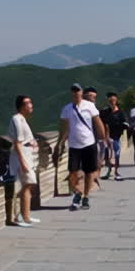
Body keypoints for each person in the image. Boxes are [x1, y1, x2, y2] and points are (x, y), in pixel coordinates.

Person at [57, 82, 107, 210]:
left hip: (89, 143)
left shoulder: (89, 106)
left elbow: (98, 122)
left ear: (81, 92)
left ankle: (86, 196)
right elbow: (63, 128)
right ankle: (77, 192)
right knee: (73, 172)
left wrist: (103, 138)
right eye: (73, 91)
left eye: (77, 90)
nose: (75, 93)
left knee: (89, 172)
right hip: (74, 145)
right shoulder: (66, 109)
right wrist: (60, 143)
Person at [8, 95, 41, 228]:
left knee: (27, 185)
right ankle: (19, 216)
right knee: (25, 185)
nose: (31, 105)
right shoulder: (17, 120)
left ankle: (25, 215)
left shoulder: (22, 120)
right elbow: (17, 143)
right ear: (21, 106)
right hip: (21, 156)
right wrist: (23, 162)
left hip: (27, 155)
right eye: (28, 103)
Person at [100, 92, 129, 181]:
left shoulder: (120, 112)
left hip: (116, 136)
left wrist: (123, 126)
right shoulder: (105, 112)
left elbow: (125, 122)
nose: (112, 102)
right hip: (107, 137)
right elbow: (101, 122)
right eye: (110, 100)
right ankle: (109, 171)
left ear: (116, 100)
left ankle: (116, 172)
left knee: (116, 155)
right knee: (107, 156)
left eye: (113, 100)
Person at [84, 87, 103, 192]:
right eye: (91, 96)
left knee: (97, 162)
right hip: (84, 142)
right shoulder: (79, 109)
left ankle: (94, 180)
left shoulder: (96, 109)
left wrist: (104, 138)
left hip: (96, 140)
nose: (93, 98)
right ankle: (90, 184)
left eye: (94, 97)